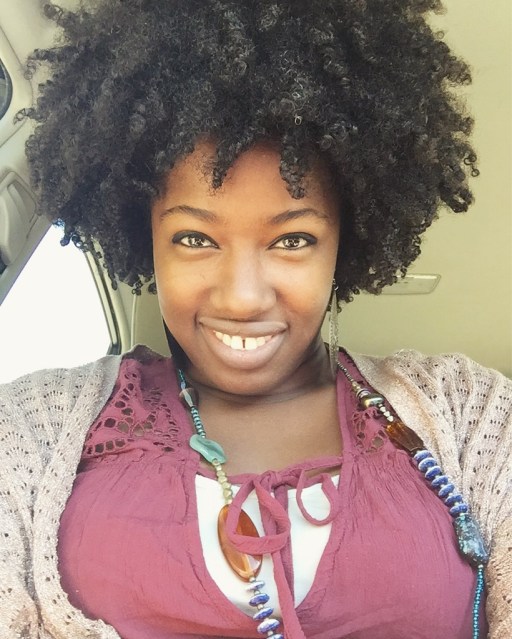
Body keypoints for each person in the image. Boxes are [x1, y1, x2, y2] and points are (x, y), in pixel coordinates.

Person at [0, 1, 510, 638]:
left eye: (292, 240)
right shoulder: (30, 428)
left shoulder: (472, 413)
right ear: (143, 237)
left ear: (344, 244)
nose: (242, 299)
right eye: (194, 238)